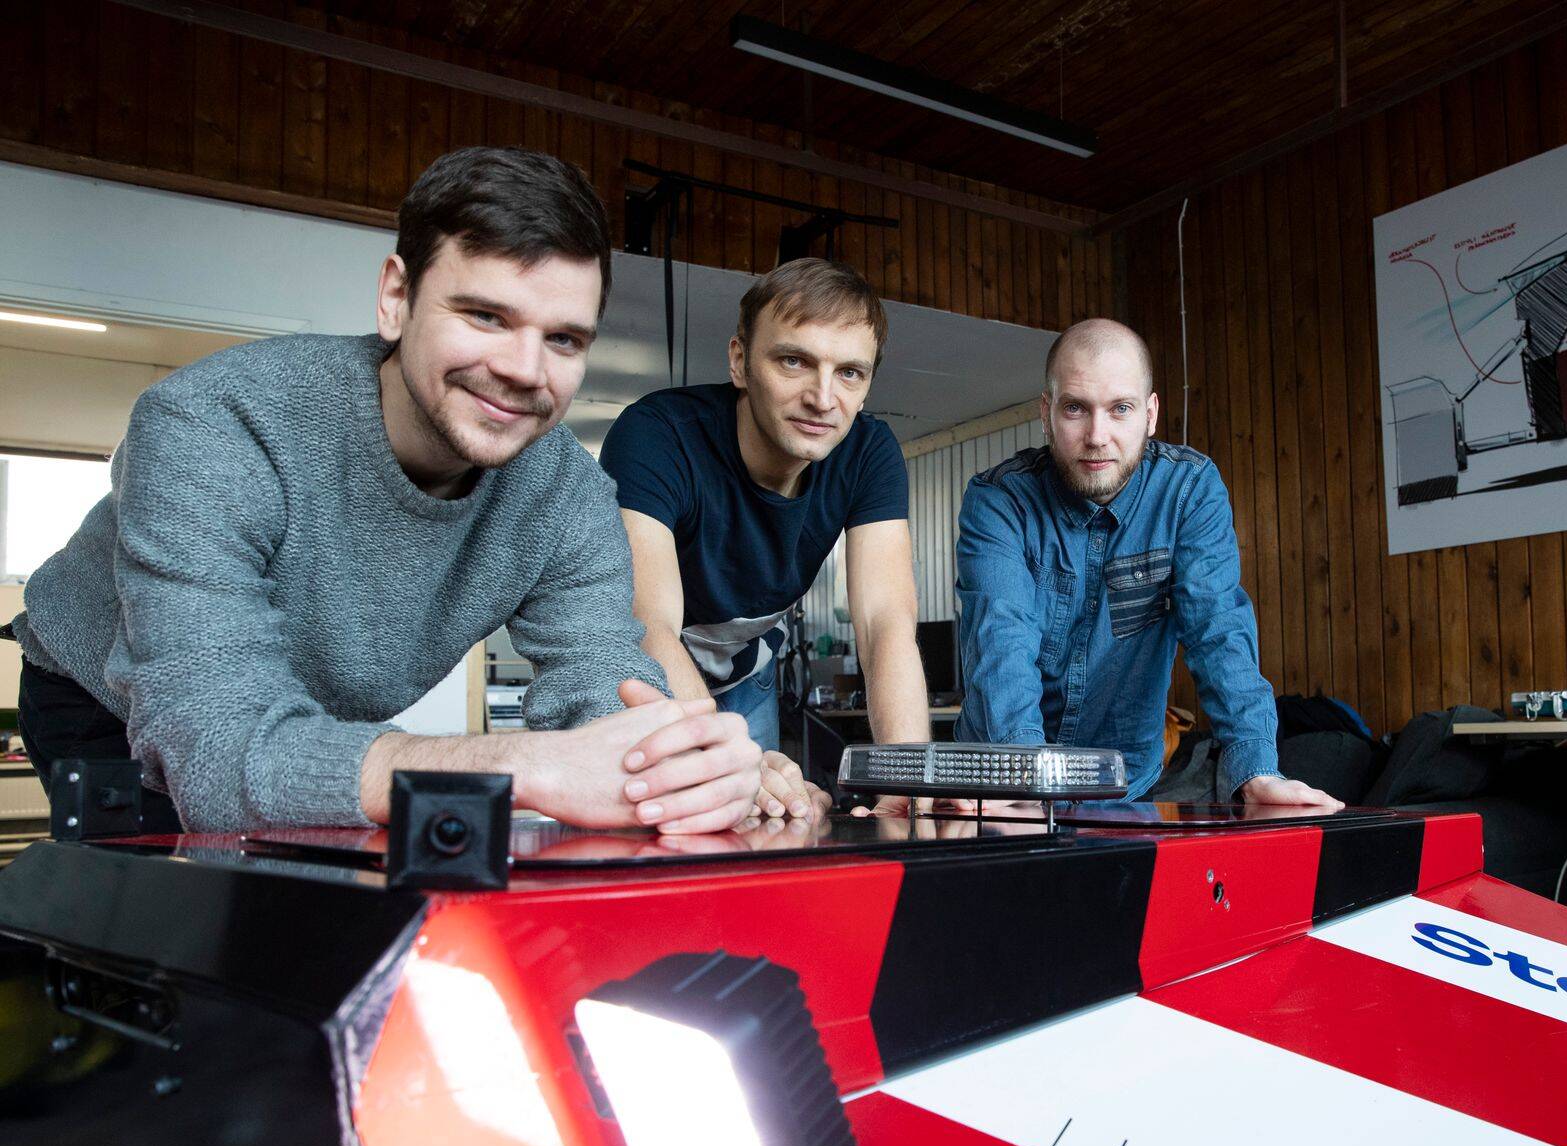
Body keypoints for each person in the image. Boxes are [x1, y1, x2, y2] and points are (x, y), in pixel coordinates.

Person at [11, 147, 762, 835]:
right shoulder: (215, 423)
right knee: (187, 928)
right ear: (396, 298)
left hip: (300, 715)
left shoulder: (570, 495)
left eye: (563, 339)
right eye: (485, 315)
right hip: (109, 700)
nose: (527, 371)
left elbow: (606, 686)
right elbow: (216, 751)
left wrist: (689, 770)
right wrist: (531, 767)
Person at [953, 318, 1342, 808]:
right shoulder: (997, 501)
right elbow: (1000, 642)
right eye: (1076, 408)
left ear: (1151, 414)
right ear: (1047, 413)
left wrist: (1256, 770)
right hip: (1002, 786)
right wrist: (1024, 778)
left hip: (1124, 783)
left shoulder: (1189, 491)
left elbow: (1217, 628)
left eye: (1121, 409)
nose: (1098, 435)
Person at [599, 258, 930, 818]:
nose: (824, 399)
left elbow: (884, 622)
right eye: (795, 361)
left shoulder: (869, 452)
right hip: (646, 667)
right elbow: (646, 623)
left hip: (745, 671)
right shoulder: (656, 435)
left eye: (850, 372)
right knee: (680, 813)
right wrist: (730, 763)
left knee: (764, 819)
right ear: (739, 361)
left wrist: (908, 785)